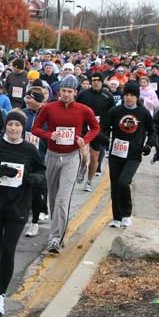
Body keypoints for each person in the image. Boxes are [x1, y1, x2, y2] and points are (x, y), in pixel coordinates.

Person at [0, 110, 45, 316]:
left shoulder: (30, 149)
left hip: (18, 206)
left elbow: (41, 172)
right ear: (5, 126)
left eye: (18, 125)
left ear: (23, 128)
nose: (14, 128)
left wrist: (34, 179)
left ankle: (0, 298)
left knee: (8, 251)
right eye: (11, 124)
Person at [30, 75, 100, 253]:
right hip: (52, 155)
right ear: (59, 91)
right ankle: (56, 230)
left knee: (62, 199)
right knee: (53, 199)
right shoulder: (49, 108)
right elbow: (35, 128)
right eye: (63, 91)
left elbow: (95, 127)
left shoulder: (83, 110)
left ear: (75, 92)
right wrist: (48, 135)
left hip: (72, 156)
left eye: (70, 91)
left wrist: (84, 140)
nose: (66, 94)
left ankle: (55, 239)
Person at [98, 81, 155, 229]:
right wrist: (104, 138)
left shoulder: (143, 113)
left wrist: (149, 144)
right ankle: (117, 217)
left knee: (124, 183)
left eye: (132, 95)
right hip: (116, 153)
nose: (129, 98)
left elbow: (152, 131)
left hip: (133, 155)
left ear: (137, 96)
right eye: (126, 95)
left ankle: (127, 214)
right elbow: (103, 128)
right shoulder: (115, 111)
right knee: (115, 185)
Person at [76, 72, 114, 190]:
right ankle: (82, 167)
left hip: (99, 131)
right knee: (84, 156)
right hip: (83, 129)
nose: (96, 82)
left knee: (94, 158)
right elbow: (76, 111)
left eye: (98, 80)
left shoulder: (108, 96)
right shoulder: (83, 95)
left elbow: (111, 115)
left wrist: (108, 132)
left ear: (102, 82)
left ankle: (89, 181)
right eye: (93, 80)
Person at [22, 88, 49, 237]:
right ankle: (29, 210)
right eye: (26, 97)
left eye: (30, 98)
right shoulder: (23, 113)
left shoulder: (46, 114)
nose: (27, 100)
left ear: (38, 101)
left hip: (42, 156)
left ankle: (41, 212)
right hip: (25, 156)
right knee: (27, 185)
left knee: (40, 186)